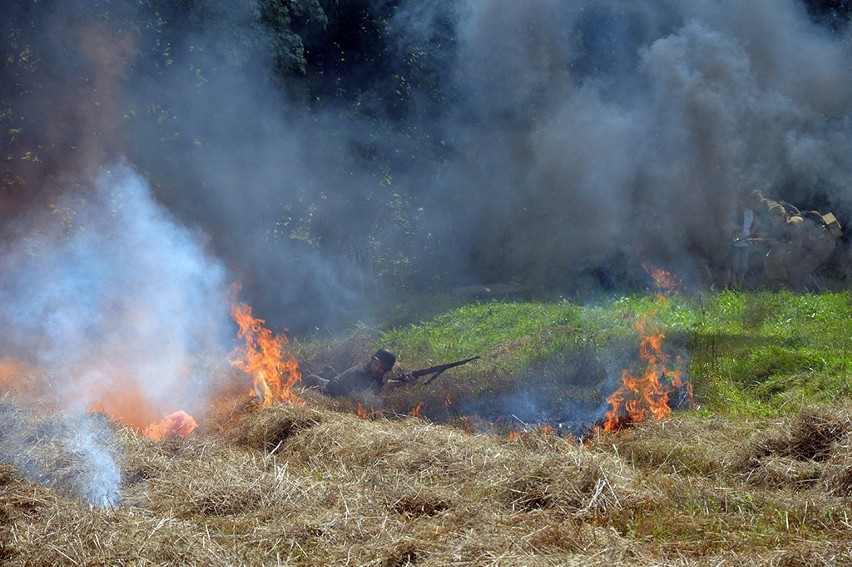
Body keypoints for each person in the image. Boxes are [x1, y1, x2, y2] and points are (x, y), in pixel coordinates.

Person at [300, 348, 400, 398]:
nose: (377, 369)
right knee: (309, 380)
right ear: (372, 361)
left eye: (381, 368)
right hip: (330, 387)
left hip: (339, 382)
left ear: (386, 370)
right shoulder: (360, 372)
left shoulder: (375, 375)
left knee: (330, 374)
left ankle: (329, 372)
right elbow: (361, 396)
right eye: (376, 364)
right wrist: (383, 389)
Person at [721, 192, 757, 289]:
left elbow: (740, 227)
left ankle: (734, 288)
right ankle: (736, 288)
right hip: (741, 242)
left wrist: (731, 227)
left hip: (741, 243)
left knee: (738, 268)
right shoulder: (749, 211)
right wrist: (750, 232)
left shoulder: (745, 212)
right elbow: (756, 224)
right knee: (739, 267)